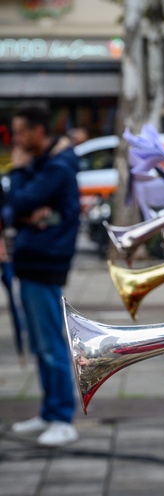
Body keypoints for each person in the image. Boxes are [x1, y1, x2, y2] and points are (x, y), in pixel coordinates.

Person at [4, 105, 81, 447]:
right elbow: (10, 209)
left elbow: (17, 202)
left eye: (20, 132)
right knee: (41, 344)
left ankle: (63, 417)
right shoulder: (45, 164)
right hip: (33, 261)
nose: (16, 140)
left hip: (44, 263)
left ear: (39, 131)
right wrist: (20, 213)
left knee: (50, 344)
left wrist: (18, 172)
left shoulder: (56, 167)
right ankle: (50, 412)